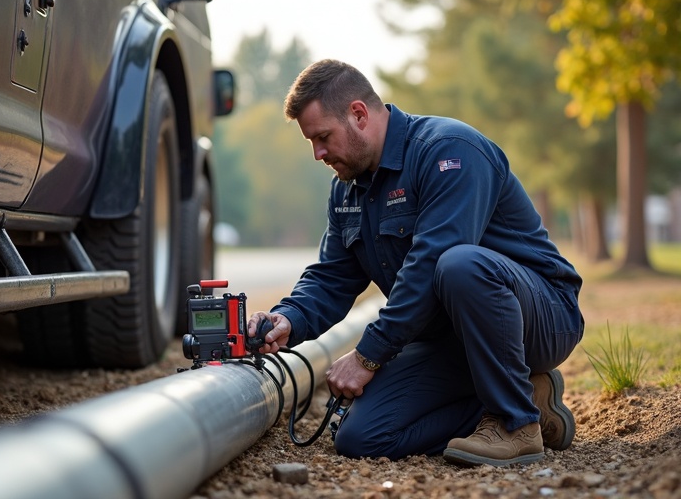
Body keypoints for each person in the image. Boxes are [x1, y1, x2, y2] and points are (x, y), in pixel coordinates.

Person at [248, 59, 584, 467]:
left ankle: (516, 424)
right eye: (312, 142)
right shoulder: (347, 192)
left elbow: (431, 262)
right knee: (361, 436)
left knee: (459, 264)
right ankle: (529, 397)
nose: (318, 153)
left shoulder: (449, 151)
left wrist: (367, 355)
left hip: (541, 318)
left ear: (359, 114)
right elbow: (331, 276)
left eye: (323, 137)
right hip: (449, 338)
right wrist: (289, 318)